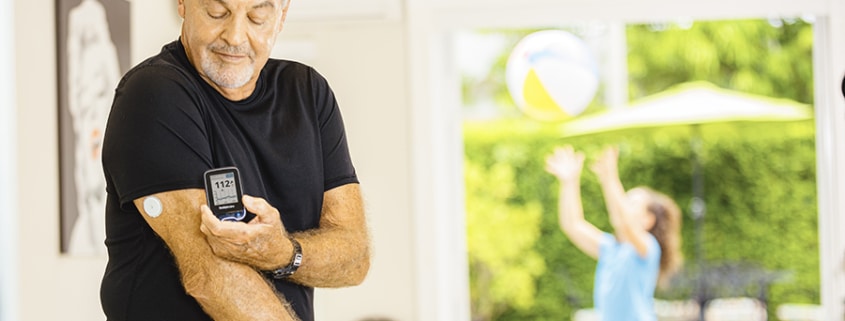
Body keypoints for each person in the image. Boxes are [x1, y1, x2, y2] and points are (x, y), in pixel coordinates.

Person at [99, 0, 371, 320]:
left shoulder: (308, 93)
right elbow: (210, 275)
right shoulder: (153, 94)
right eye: (218, 12)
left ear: (281, 14)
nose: (235, 36)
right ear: (183, 4)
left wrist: (283, 254)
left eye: (257, 16)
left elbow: (354, 256)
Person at [545, 145, 682, 321]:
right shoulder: (610, 248)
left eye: (631, 203)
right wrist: (569, 182)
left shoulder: (648, 248)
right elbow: (572, 225)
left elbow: (623, 222)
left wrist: (610, 179)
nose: (623, 204)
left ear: (648, 220)